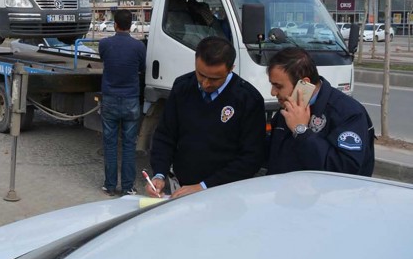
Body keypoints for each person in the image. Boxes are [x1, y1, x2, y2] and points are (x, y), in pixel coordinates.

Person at [147, 36, 266, 198]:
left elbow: (251, 157)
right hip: (182, 186)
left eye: (214, 79)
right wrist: (159, 174)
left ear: (231, 69)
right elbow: (165, 135)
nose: (205, 83)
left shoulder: (248, 99)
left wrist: (204, 186)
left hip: (226, 192)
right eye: (201, 74)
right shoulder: (182, 87)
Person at [266, 47, 375, 176]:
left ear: (303, 83)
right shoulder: (289, 107)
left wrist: (301, 131)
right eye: (272, 85)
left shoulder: (348, 113)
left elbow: (344, 169)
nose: (273, 92)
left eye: (278, 86)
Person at [98, 9, 146, 196]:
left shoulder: (104, 44)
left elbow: (104, 60)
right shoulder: (139, 47)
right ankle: (128, 187)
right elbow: (142, 67)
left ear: (115, 24)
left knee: (110, 144)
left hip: (110, 98)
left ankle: (110, 186)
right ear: (131, 25)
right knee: (129, 145)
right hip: (131, 100)